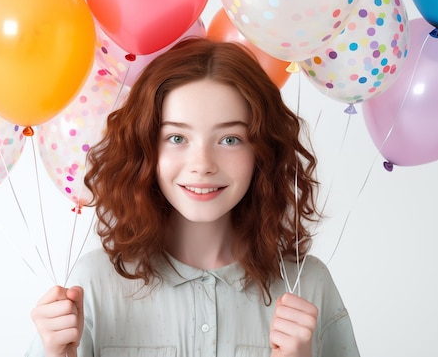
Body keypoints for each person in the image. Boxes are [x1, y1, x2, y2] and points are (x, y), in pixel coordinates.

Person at [27, 37, 359, 357]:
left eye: (230, 139)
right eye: (176, 137)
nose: (202, 165)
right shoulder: (93, 284)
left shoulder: (309, 286)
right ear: (146, 147)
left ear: (263, 150)